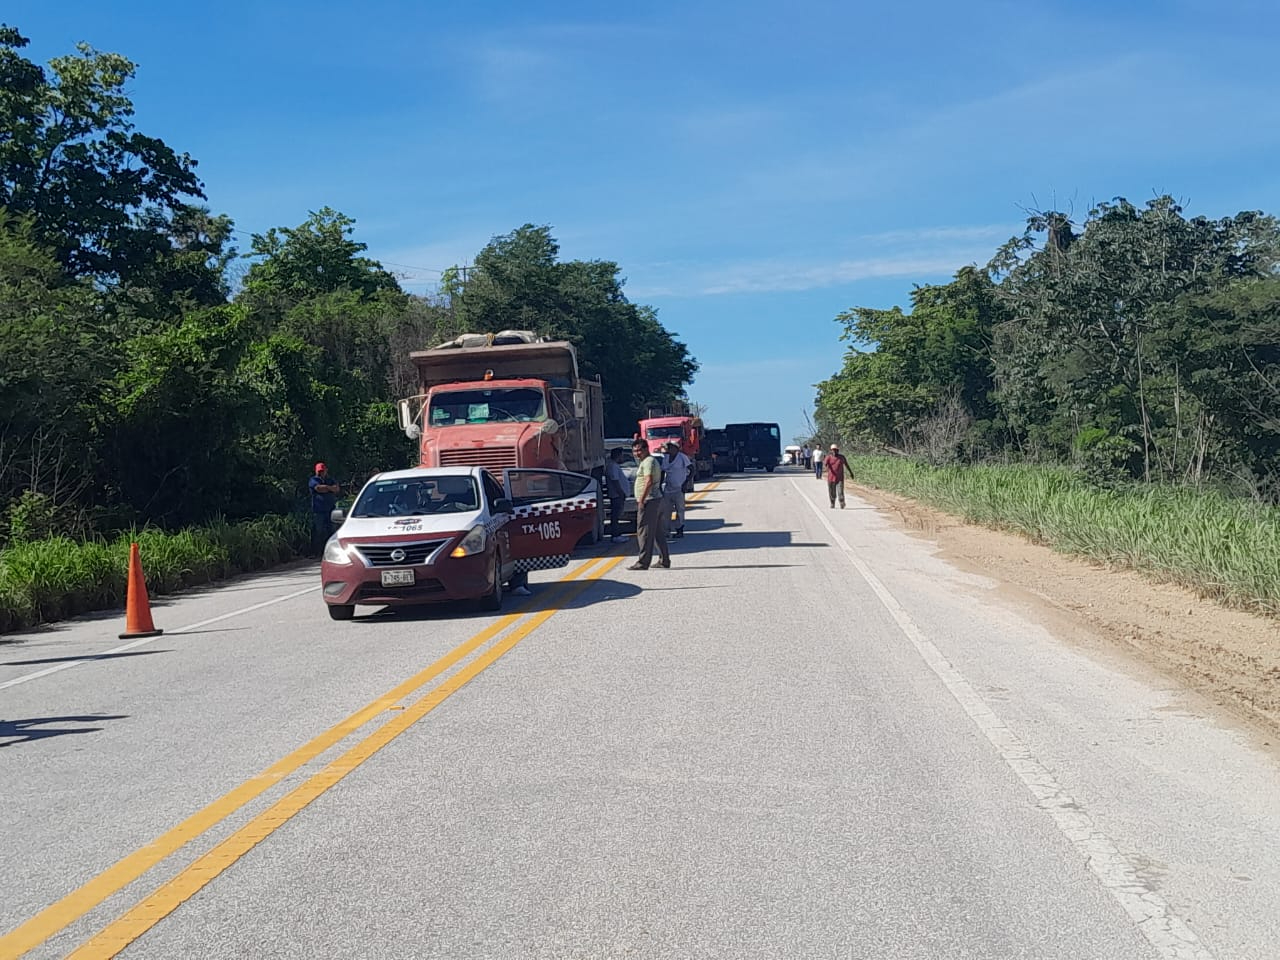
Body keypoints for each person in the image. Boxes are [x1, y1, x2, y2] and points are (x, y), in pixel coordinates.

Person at [628, 438, 670, 570]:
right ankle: (664, 560)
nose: (637, 453)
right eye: (634, 451)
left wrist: (642, 499)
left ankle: (643, 562)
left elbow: (649, 481)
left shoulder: (648, 462)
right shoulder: (648, 461)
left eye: (639, 450)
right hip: (655, 500)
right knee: (657, 533)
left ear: (646, 449)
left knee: (644, 531)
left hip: (650, 500)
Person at [661, 440, 693, 539]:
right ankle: (666, 531)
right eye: (668, 447)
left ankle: (679, 529)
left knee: (680, 509)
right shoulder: (666, 458)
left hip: (679, 488)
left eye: (671, 447)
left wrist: (686, 483)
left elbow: (692, 469)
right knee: (666, 510)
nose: (669, 449)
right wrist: (660, 484)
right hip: (668, 488)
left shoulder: (682, 457)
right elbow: (663, 471)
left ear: (676, 448)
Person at [309, 462, 341, 555]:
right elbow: (318, 488)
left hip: (330, 510)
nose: (321, 473)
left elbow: (337, 489)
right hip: (318, 511)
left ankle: (331, 552)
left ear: (326, 470)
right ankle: (316, 552)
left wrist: (327, 488)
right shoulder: (313, 480)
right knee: (318, 531)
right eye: (319, 471)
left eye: (322, 471)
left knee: (331, 531)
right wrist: (329, 488)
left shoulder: (330, 479)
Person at [605, 447, 629, 542]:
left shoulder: (614, 465)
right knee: (616, 515)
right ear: (618, 456)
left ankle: (617, 534)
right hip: (616, 495)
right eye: (621, 455)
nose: (622, 458)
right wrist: (621, 493)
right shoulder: (612, 466)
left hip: (617, 495)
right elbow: (615, 481)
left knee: (617, 514)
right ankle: (615, 535)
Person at [823, 443, 851, 509]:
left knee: (840, 491)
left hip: (840, 478)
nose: (834, 451)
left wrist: (850, 472)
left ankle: (842, 503)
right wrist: (825, 467)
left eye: (836, 450)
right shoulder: (829, 457)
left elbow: (846, 464)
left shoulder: (841, 457)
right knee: (832, 492)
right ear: (831, 451)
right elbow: (825, 464)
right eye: (833, 450)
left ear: (838, 450)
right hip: (831, 478)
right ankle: (832, 503)